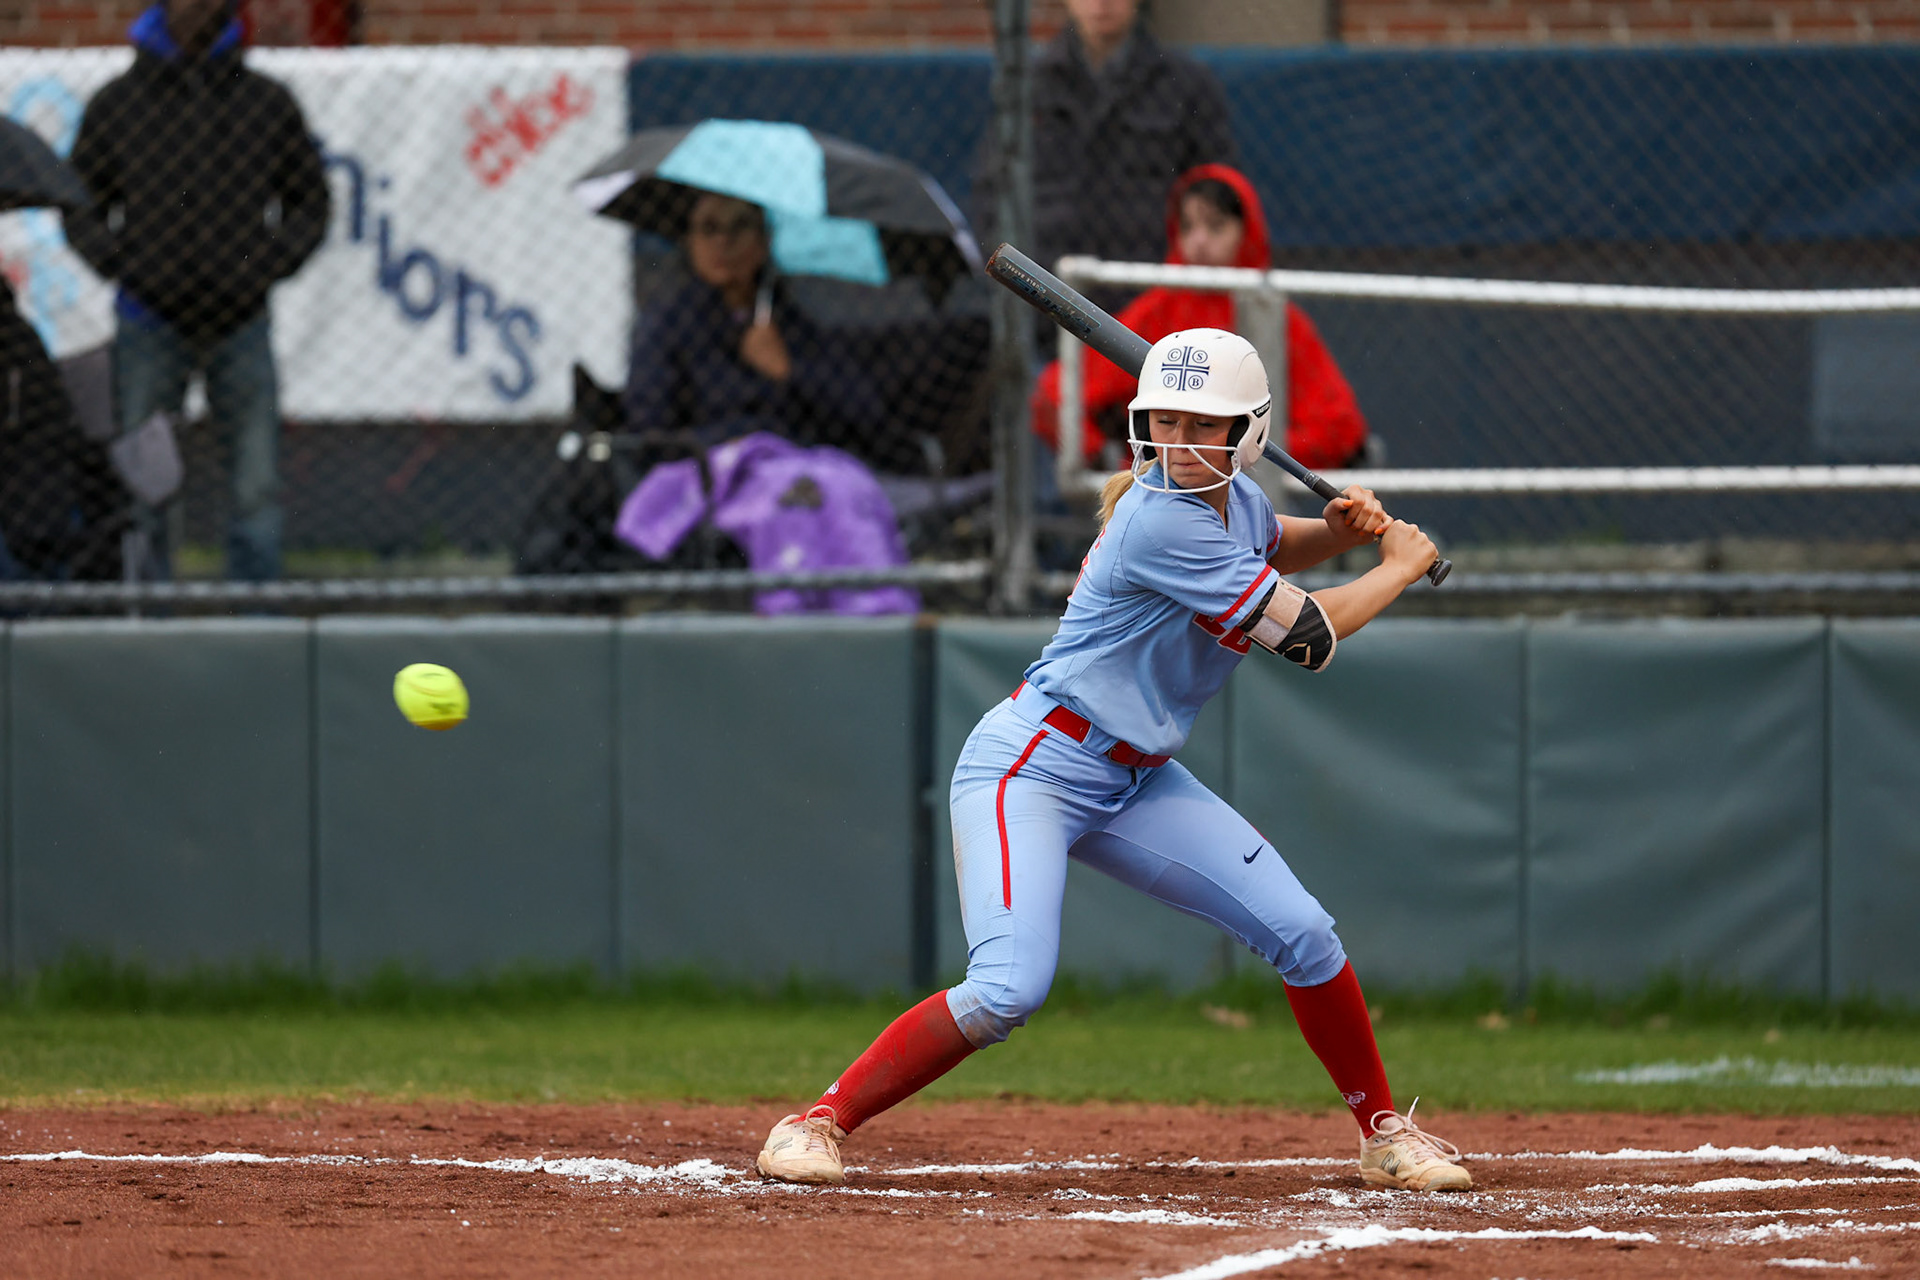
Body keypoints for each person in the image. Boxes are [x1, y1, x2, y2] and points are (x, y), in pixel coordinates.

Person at [754, 327, 1471, 1194]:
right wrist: (1396, 565)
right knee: (1008, 987)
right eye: (1162, 421)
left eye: (1200, 425)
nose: (1175, 442)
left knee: (1307, 935)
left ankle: (1384, 1132)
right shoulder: (1158, 519)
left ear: (1248, 432)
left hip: (1136, 777)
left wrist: (1336, 529)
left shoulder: (1231, 502)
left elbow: (1275, 542)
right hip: (1036, 766)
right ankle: (818, 1121)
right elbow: (1309, 636)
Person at [65, 0, 329, 582]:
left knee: (256, 486)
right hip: (148, 320)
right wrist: (126, 266)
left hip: (240, 322)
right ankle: (146, 616)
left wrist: (264, 265)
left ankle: (259, 627)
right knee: (141, 484)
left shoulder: (266, 103)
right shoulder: (118, 105)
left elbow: (310, 202)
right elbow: (79, 204)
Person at [1032, 164, 1369, 472]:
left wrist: (1237, 456)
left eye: (1216, 225)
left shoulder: (1279, 320)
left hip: (1258, 496)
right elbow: (1055, 393)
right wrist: (1118, 464)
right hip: (1161, 493)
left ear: (1247, 231)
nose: (1199, 240)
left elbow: (1338, 428)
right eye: (1188, 226)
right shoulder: (1157, 311)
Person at [972, 0, 1236, 308]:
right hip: (1044, 296)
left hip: (1149, 293)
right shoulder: (1030, 85)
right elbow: (991, 190)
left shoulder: (1186, 84)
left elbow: (1219, 187)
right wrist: (1013, 273)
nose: (1102, 3)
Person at [621, 192, 884, 453]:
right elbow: (650, 428)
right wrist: (739, 439)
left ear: (764, 242)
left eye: (740, 226)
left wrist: (789, 371)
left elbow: (864, 414)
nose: (724, 241)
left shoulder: (791, 323)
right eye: (709, 228)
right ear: (690, 241)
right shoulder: (667, 324)